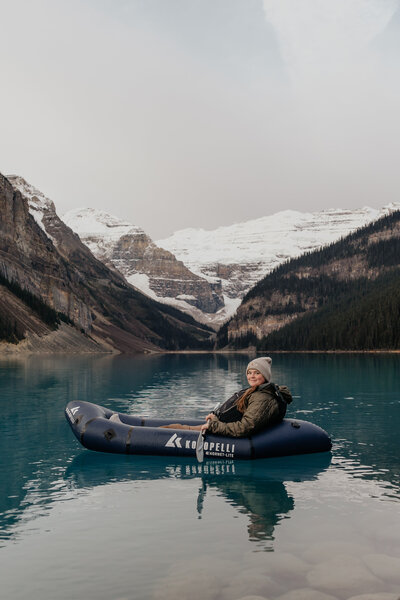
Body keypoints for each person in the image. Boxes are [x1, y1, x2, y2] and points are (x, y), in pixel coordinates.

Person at [161, 357, 292, 438]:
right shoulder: (256, 392)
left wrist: (214, 426)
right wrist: (215, 417)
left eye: (257, 373)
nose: (252, 376)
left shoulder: (262, 398)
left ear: (265, 376)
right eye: (249, 373)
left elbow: (245, 427)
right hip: (223, 427)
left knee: (175, 428)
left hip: (223, 433)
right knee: (176, 426)